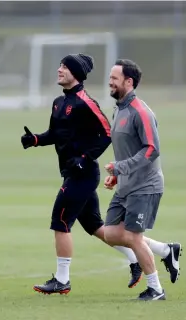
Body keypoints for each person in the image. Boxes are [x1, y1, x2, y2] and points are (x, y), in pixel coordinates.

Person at [21, 54, 180, 296]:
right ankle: (163, 251)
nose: (59, 69)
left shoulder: (109, 106)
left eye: (65, 67)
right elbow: (57, 133)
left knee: (61, 220)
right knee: (103, 230)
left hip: (108, 179)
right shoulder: (68, 104)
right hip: (96, 178)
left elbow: (125, 140)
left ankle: (64, 280)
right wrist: (35, 140)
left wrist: (88, 160)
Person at [104, 59, 181, 301]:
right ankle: (166, 250)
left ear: (129, 81)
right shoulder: (119, 109)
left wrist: (120, 167)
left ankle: (156, 289)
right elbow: (127, 149)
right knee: (110, 233)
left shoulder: (141, 112)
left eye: (115, 78)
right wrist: (117, 175)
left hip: (145, 187)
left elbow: (151, 150)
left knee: (134, 238)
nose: (110, 81)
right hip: (126, 185)